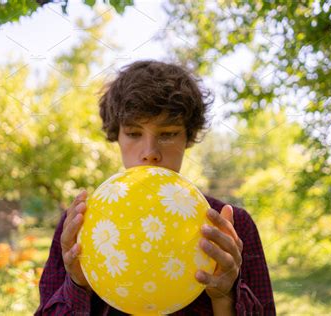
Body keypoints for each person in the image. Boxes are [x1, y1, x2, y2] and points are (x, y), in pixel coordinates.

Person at [35, 60, 276, 315]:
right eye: (134, 133)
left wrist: (224, 296)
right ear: (116, 135)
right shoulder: (80, 226)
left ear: (188, 137)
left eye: (168, 133)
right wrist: (78, 284)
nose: (150, 153)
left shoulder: (233, 227)